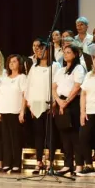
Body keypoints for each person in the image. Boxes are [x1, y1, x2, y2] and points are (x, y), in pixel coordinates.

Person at [26, 39, 59, 172]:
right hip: (36, 104)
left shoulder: (55, 66)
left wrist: (55, 102)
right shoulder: (34, 67)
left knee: (50, 134)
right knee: (38, 134)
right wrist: (30, 104)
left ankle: (50, 161)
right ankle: (39, 161)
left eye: (42, 49)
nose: (40, 51)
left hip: (49, 103)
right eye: (38, 49)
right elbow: (29, 86)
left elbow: (57, 85)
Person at [52, 43, 85, 176]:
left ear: (75, 54)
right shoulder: (60, 70)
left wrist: (65, 102)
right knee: (64, 135)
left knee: (75, 135)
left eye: (69, 52)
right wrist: (59, 101)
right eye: (64, 52)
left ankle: (79, 164)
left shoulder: (78, 68)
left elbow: (77, 87)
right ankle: (67, 165)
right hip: (60, 103)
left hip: (73, 103)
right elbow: (54, 87)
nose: (65, 55)